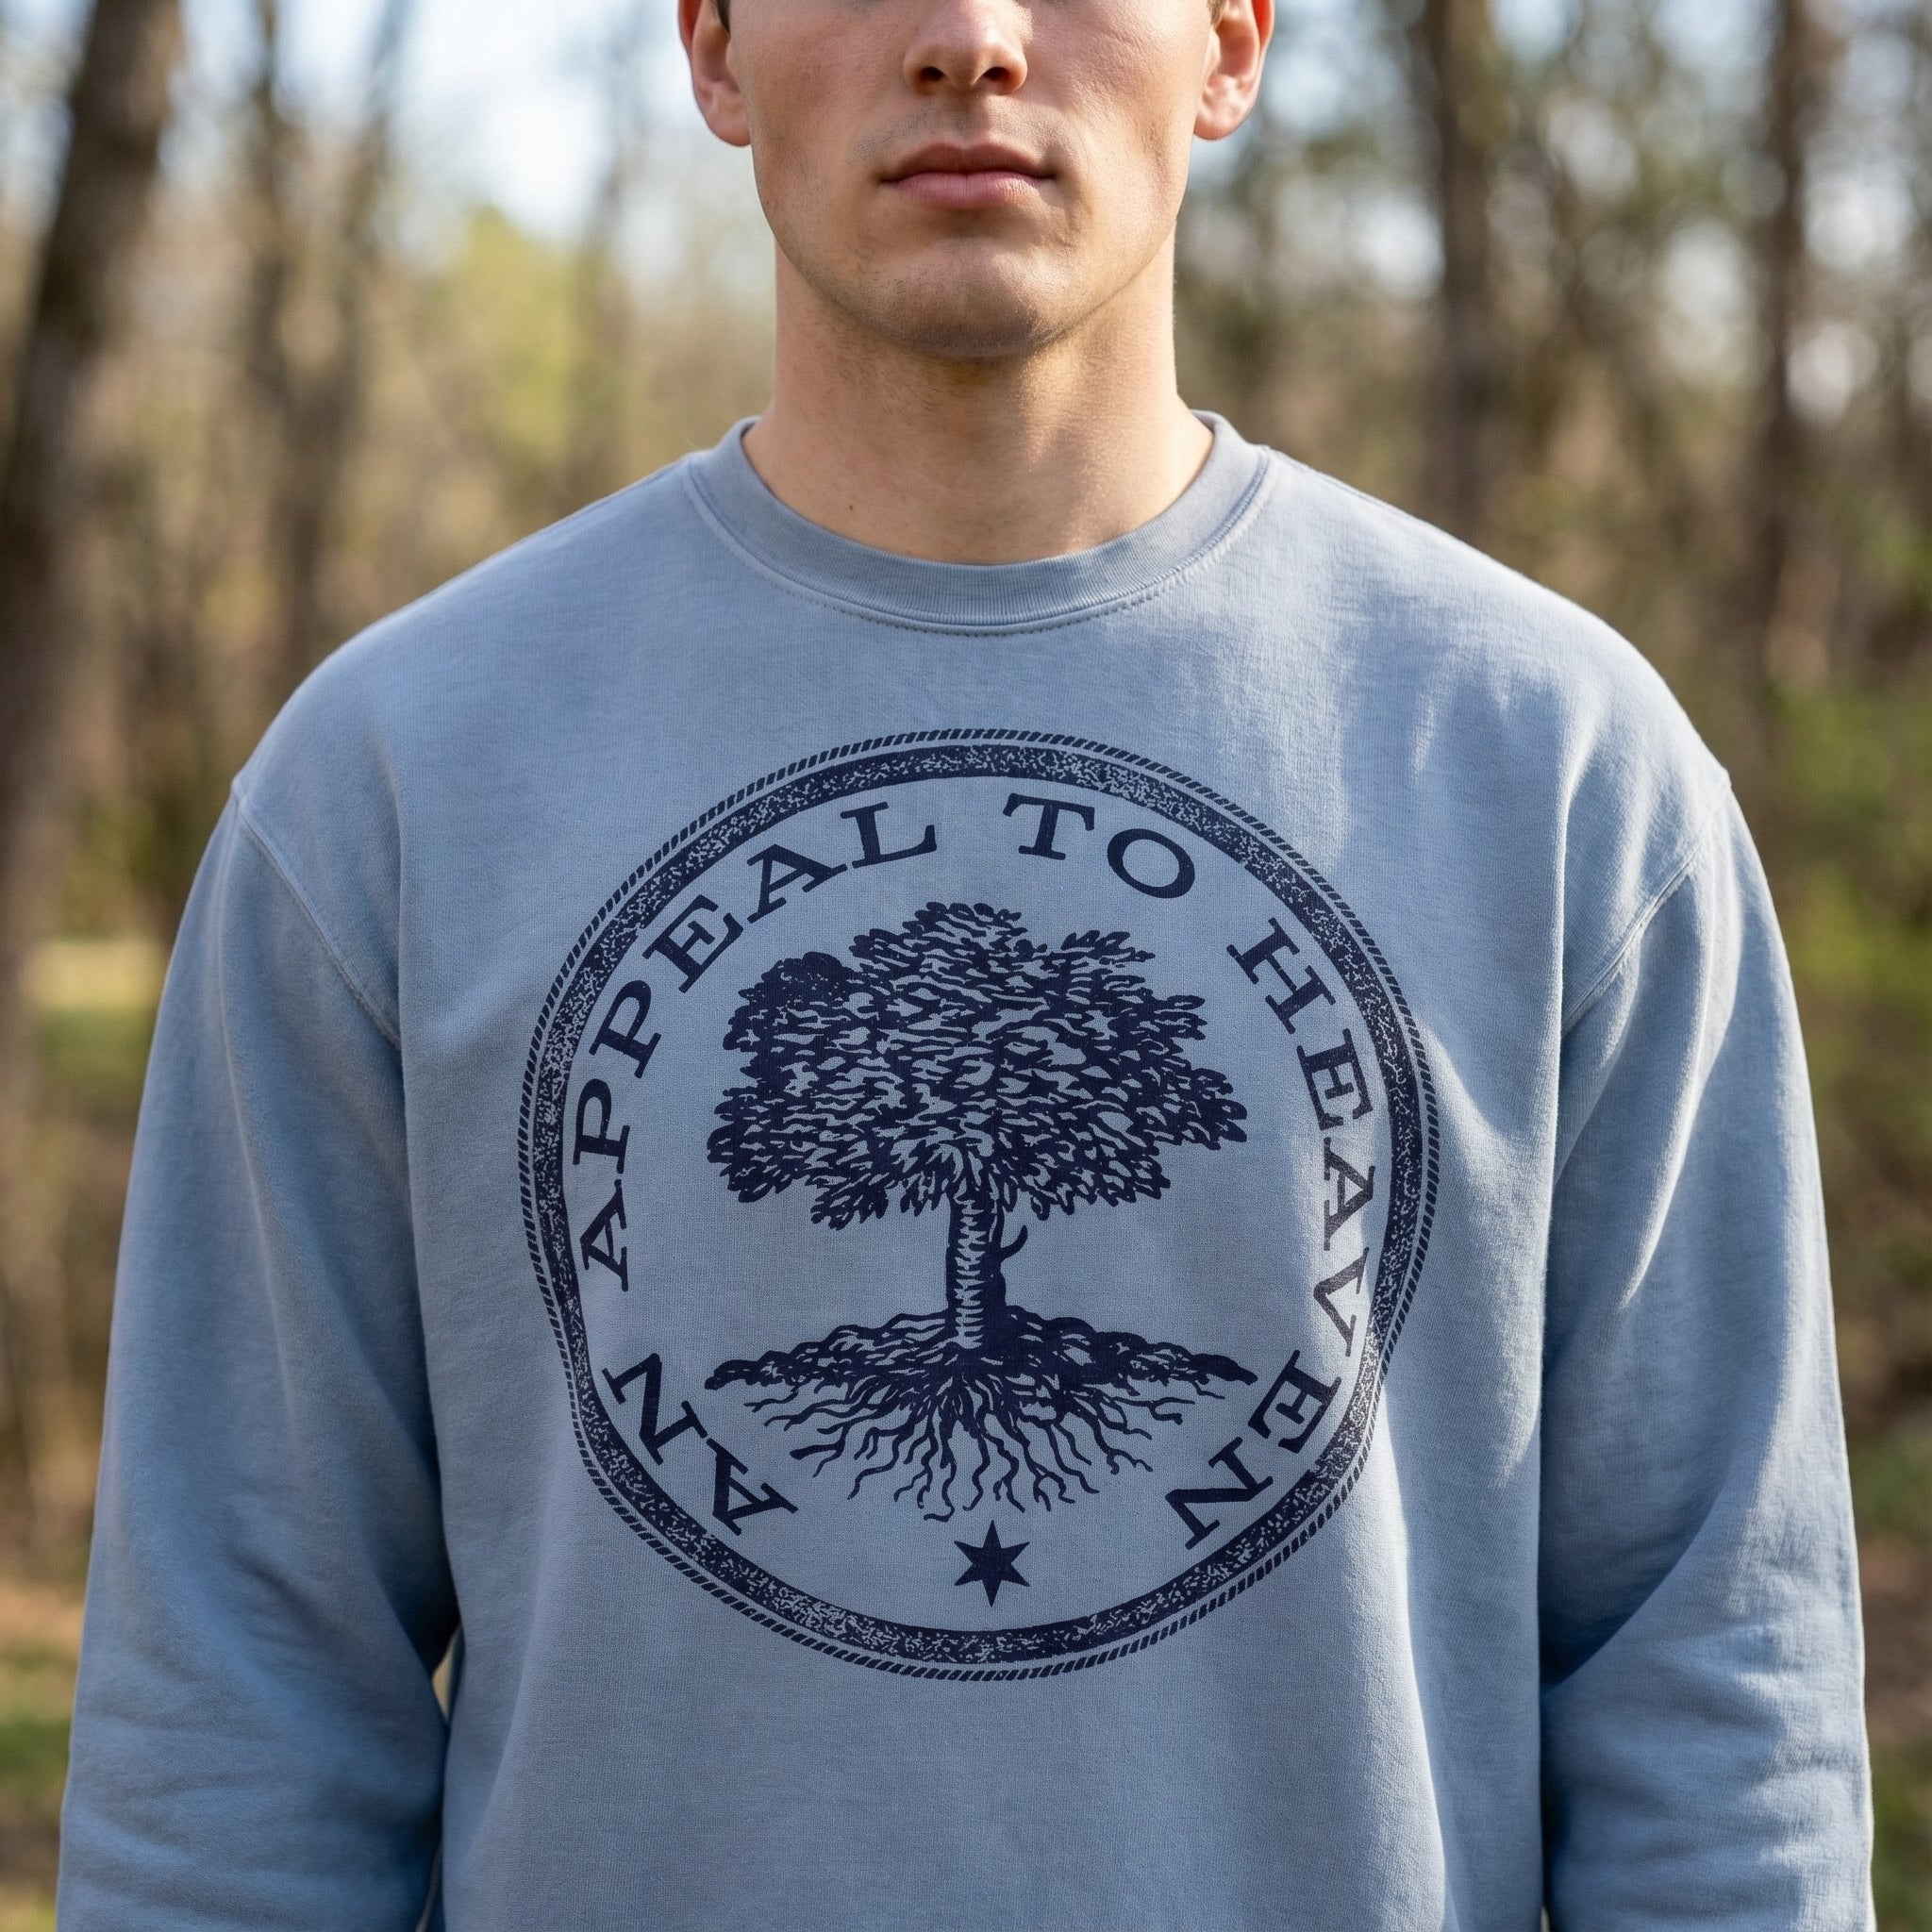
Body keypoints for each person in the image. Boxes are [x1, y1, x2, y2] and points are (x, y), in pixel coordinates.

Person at [58, 0, 1874, 1924]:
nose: (974, 39)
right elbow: (236, 1717)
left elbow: (1720, 1709)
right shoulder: (395, 781)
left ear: (1234, 45)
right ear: (712, 48)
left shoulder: (1557, 770)